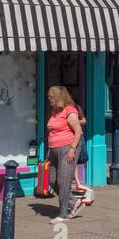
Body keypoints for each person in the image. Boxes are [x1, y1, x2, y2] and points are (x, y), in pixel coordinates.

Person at [45, 85, 84, 222]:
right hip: (54, 150)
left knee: (63, 181)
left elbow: (78, 131)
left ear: (58, 97)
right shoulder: (54, 112)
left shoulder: (70, 111)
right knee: (52, 180)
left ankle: (62, 215)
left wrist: (72, 149)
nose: (49, 98)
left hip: (68, 148)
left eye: (51, 96)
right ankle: (74, 203)